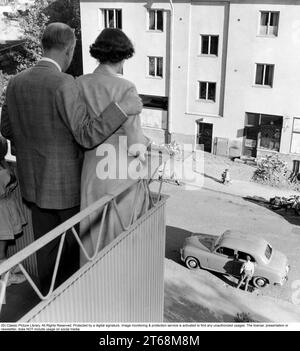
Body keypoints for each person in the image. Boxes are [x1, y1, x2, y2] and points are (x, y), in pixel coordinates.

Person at [0, 23, 143, 293]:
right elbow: (86, 136)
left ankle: (50, 296)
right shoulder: (64, 83)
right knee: (72, 252)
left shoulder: (16, 81)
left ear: (43, 44)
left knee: (46, 250)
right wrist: (122, 108)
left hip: (33, 185)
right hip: (67, 187)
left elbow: (6, 129)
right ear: (70, 48)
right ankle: (70, 300)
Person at [78, 28, 150, 262]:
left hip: (91, 172)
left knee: (92, 238)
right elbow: (134, 141)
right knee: (121, 238)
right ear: (123, 56)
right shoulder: (125, 88)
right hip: (120, 171)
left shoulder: (80, 84)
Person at [0, 136, 26, 286]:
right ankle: (5, 277)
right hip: (2, 216)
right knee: (1, 248)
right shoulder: (4, 174)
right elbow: (12, 181)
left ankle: (5, 267)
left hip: (3, 213)